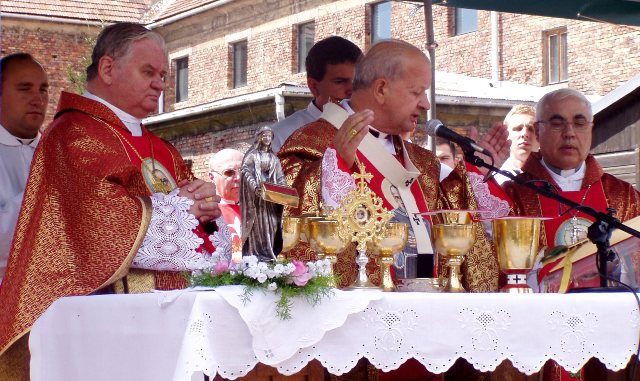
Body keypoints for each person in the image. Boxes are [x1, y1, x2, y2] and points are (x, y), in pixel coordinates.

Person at [0, 23, 225, 378]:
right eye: (148, 72)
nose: (161, 84)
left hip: (170, 321)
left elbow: (193, 227)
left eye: (164, 75)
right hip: (104, 321)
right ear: (107, 69)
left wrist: (204, 207)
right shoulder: (73, 135)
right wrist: (181, 209)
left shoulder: (159, 146)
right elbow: (101, 225)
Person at [279, 39, 508, 291]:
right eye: (416, 92)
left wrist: (476, 175)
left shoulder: (422, 160)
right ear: (380, 89)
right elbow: (292, 230)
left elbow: (451, 230)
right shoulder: (310, 145)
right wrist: (336, 169)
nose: (425, 104)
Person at [503, 88, 640, 287]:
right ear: (538, 132)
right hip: (539, 314)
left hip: (610, 314)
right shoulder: (513, 195)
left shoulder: (623, 195)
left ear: (590, 129)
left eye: (579, 123)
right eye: (557, 124)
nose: (569, 133)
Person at [0, 53, 48, 285]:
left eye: (43, 89)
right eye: (25, 89)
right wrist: (44, 189)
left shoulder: (63, 151)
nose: (37, 99)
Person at [271, 36, 362, 152]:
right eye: (340, 82)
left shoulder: (378, 130)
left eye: (358, 81)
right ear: (314, 87)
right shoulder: (279, 137)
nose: (352, 89)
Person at [240, 126, 287, 261]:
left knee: (272, 224)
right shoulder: (252, 156)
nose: (267, 138)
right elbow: (245, 171)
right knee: (258, 227)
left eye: (269, 136)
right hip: (257, 199)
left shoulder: (274, 159)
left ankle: (270, 255)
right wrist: (255, 187)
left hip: (271, 198)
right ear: (259, 137)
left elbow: (280, 177)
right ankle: (257, 256)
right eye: (264, 135)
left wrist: (285, 191)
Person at [209, 148, 244, 253]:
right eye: (229, 172)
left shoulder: (257, 209)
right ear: (212, 177)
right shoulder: (206, 211)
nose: (238, 177)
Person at [494, 104, 538, 184]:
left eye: (531, 129)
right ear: (506, 135)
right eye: (518, 129)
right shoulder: (494, 182)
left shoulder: (557, 182)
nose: (524, 133)